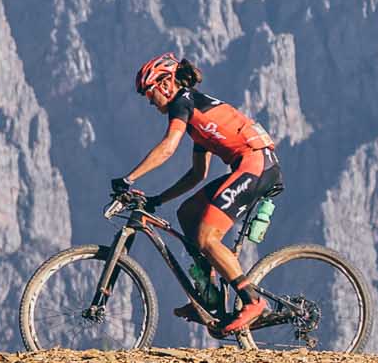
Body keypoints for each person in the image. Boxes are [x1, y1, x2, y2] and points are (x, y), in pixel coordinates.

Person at [114, 53, 282, 337]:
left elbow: (168, 148)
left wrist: (128, 179)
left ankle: (253, 300)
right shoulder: (196, 118)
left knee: (206, 236)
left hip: (256, 164)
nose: (149, 101)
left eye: (150, 92)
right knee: (187, 213)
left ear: (166, 83)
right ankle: (210, 296)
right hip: (250, 165)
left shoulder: (183, 103)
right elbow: (197, 175)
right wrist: (157, 200)